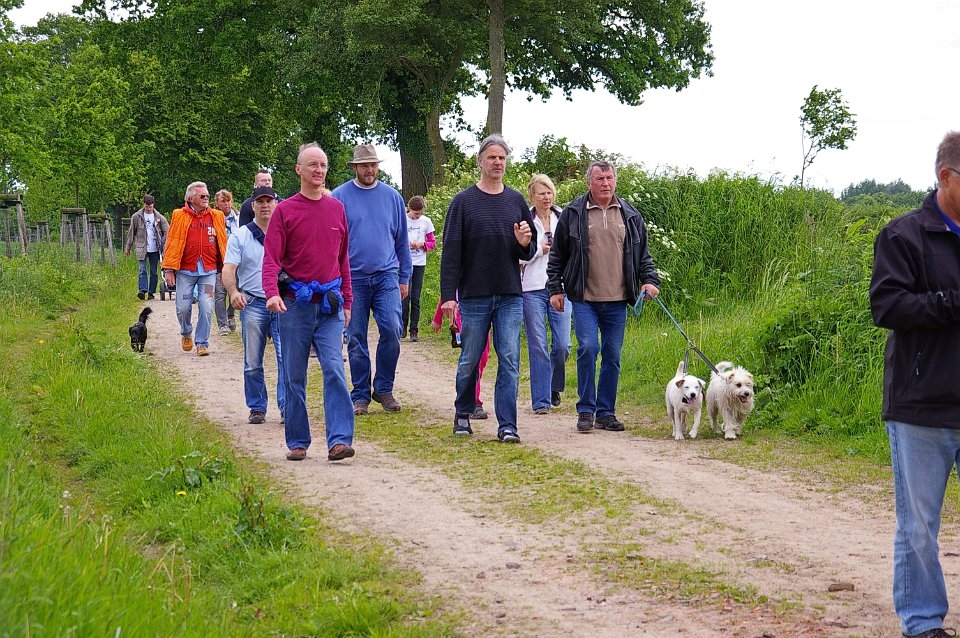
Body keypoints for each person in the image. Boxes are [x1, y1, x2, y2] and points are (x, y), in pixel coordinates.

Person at [869, 131, 960, 638]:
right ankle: (923, 622)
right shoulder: (903, 235)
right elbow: (887, 306)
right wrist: (953, 302)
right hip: (921, 404)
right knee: (920, 527)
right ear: (946, 176)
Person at [546, 160, 660, 433]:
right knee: (587, 348)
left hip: (618, 299)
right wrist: (555, 289)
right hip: (584, 297)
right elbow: (557, 255)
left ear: (615, 181)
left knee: (612, 355)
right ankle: (586, 410)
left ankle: (606, 412)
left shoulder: (630, 215)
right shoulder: (573, 213)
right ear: (589, 182)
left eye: (609, 178)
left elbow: (643, 255)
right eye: (600, 179)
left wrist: (649, 280)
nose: (605, 183)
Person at [439, 133, 536, 443]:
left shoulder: (516, 201)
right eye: (492, 157)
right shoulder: (463, 202)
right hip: (474, 294)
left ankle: (507, 425)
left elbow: (528, 249)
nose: (497, 162)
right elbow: (451, 252)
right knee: (470, 357)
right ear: (480, 161)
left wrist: (524, 243)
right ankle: (463, 412)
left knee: (509, 359)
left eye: (502, 158)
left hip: (509, 293)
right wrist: (448, 296)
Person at [263, 142, 355, 463]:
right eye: (312, 164)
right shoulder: (285, 211)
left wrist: (347, 301)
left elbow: (343, 260)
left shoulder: (337, 209)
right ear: (298, 170)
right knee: (294, 376)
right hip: (294, 305)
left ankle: (339, 441)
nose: (319, 170)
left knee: (334, 370)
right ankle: (298, 441)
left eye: (323, 165)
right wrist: (272, 293)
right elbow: (271, 259)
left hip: (329, 305)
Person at [332, 144, 412, 415]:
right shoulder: (339, 197)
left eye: (373, 165)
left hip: (386, 275)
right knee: (356, 336)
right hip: (352, 277)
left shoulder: (392, 197)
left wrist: (404, 277)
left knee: (392, 329)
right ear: (355, 167)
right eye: (364, 165)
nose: (370, 169)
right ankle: (360, 394)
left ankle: (384, 388)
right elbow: (333, 241)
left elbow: (401, 240)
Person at [222, 185, 285, 426]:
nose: (265, 205)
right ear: (253, 206)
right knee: (252, 359)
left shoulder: (287, 232)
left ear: (276, 204)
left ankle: (287, 407)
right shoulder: (240, 236)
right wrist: (233, 292)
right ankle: (257, 407)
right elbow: (229, 269)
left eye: (270, 201)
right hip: (253, 302)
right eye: (261, 201)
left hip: (283, 302)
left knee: (286, 358)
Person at [521, 174, 572, 414]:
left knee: (562, 345)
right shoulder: (525, 220)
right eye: (542, 193)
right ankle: (541, 400)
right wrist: (539, 251)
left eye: (549, 192)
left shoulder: (564, 217)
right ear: (532, 196)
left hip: (561, 288)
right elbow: (516, 255)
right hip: (532, 288)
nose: (546, 197)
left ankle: (554, 386)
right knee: (538, 345)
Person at [162, 181, 228, 357]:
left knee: (206, 307)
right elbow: (172, 242)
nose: (206, 198)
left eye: (207, 196)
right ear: (191, 198)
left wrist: (226, 268)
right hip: (185, 271)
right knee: (183, 308)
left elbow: (223, 243)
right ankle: (186, 332)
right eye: (202, 196)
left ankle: (202, 343)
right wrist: (168, 269)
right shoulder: (179, 215)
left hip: (209, 271)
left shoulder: (217, 216)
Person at [432, 299, 490, 420]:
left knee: (483, 357)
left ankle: (469, 396)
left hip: (484, 311)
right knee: (473, 358)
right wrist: (438, 318)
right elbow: (446, 293)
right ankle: (474, 402)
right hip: (462, 313)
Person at [402, 195, 436, 342]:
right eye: (416, 213)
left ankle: (414, 329)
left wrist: (422, 244)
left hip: (419, 263)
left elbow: (432, 243)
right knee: (405, 296)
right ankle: (402, 326)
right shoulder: (402, 219)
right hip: (404, 263)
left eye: (420, 213)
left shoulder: (426, 221)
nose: (418, 216)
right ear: (410, 209)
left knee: (415, 298)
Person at [125, 194, 169, 300]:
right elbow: (131, 233)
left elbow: (168, 231)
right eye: (146, 206)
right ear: (144, 205)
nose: (148, 208)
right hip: (142, 247)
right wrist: (128, 247)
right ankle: (142, 290)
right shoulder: (136, 217)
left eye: (150, 206)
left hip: (155, 248)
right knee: (142, 269)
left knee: (154, 271)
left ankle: (151, 292)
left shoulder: (159, 217)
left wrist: (166, 246)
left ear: (153, 205)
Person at [214, 189, 240, 335]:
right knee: (219, 293)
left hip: (235, 261)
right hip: (219, 261)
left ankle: (231, 315)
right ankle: (222, 324)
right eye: (223, 201)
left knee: (234, 290)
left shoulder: (238, 218)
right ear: (217, 203)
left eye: (228, 200)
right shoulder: (213, 218)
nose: (227, 204)